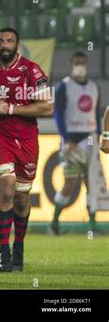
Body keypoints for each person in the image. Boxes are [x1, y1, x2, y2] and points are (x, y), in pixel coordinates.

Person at [0, 27, 53, 272]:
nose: (5, 44)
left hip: (27, 140)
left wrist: (9, 109)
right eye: (0, 40)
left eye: (9, 40)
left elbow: (47, 108)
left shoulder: (31, 70)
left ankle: (18, 247)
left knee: (21, 197)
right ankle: (3, 250)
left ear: (17, 45)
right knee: (6, 188)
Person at [51, 50, 102, 234]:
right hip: (71, 139)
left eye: (83, 62)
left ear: (87, 65)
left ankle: (92, 224)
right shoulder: (64, 86)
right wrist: (66, 137)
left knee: (92, 182)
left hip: (89, 138)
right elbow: (58, 114)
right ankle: (55, 220)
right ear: (72, 64)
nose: (80, 66)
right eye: (76, 63)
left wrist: (101, 136)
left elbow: (96, 114)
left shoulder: (94, 87)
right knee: (70, 182)